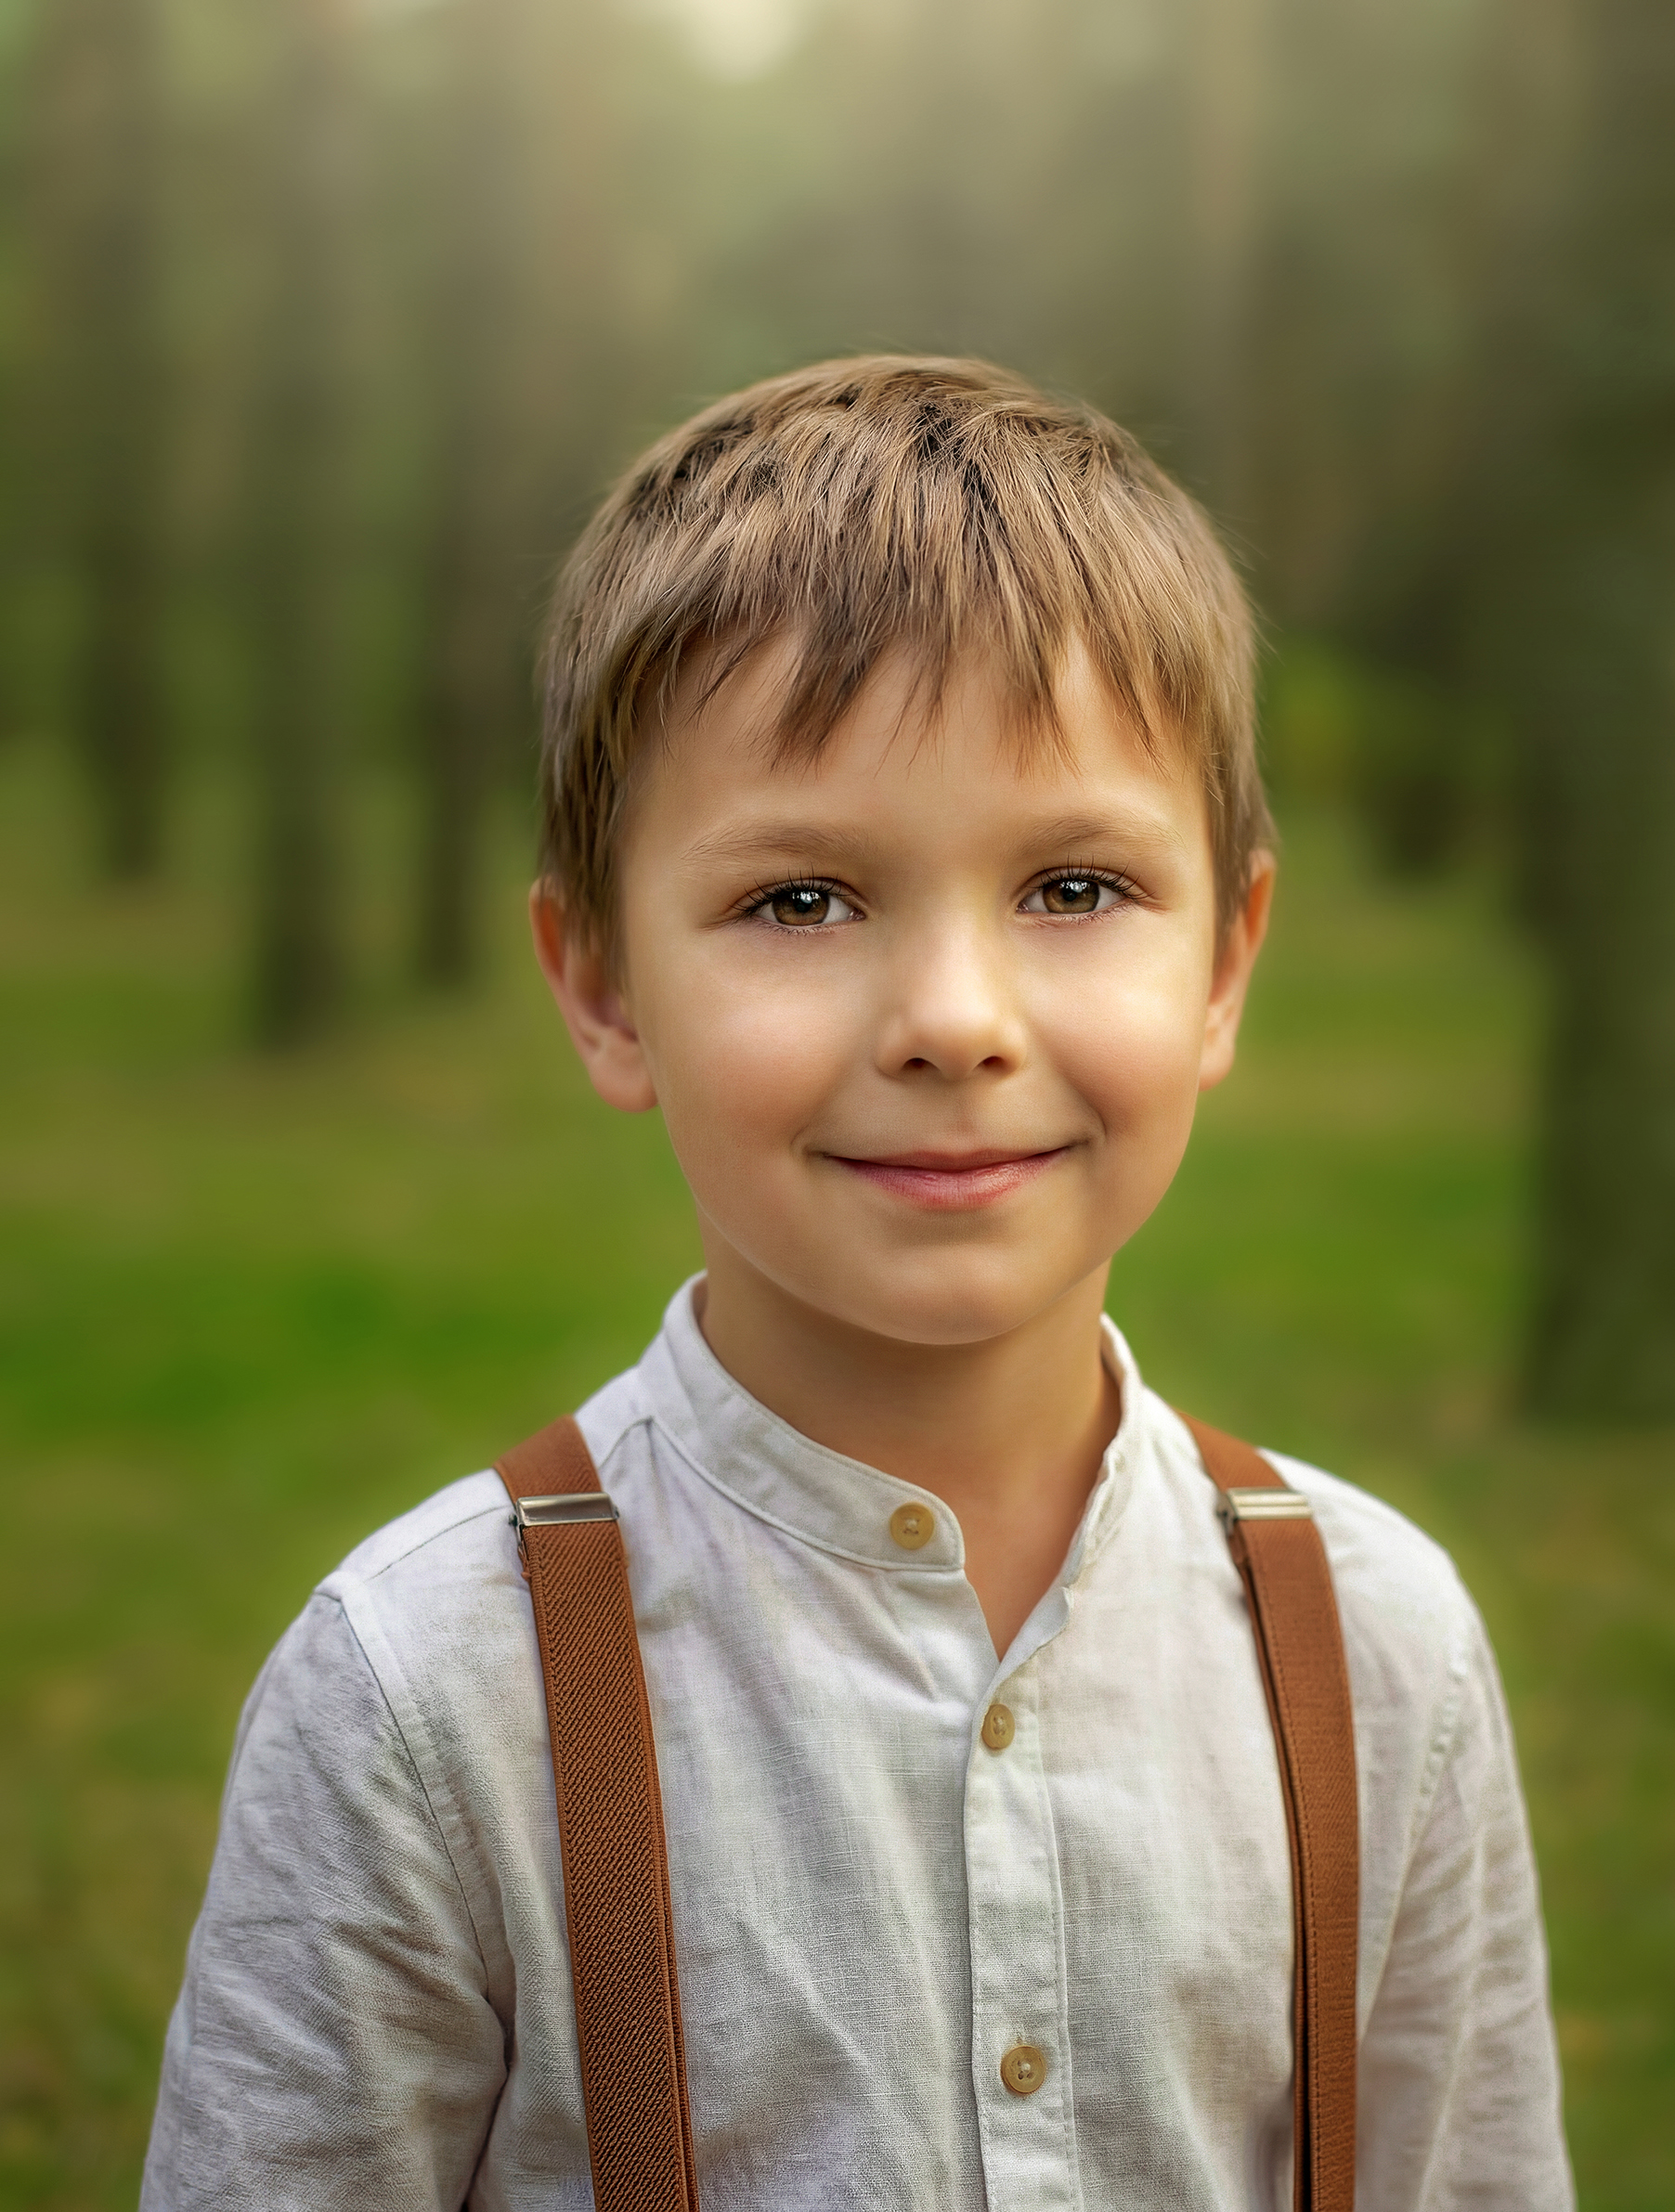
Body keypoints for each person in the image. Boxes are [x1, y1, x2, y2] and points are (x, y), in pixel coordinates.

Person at [142, 356, 1573, 2209]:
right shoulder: (422, 1698)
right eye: (802, 900)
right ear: (598, 986)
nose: (956, 1022)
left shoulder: (1382, 1648)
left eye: (1072, 887)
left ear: (1227, 959)